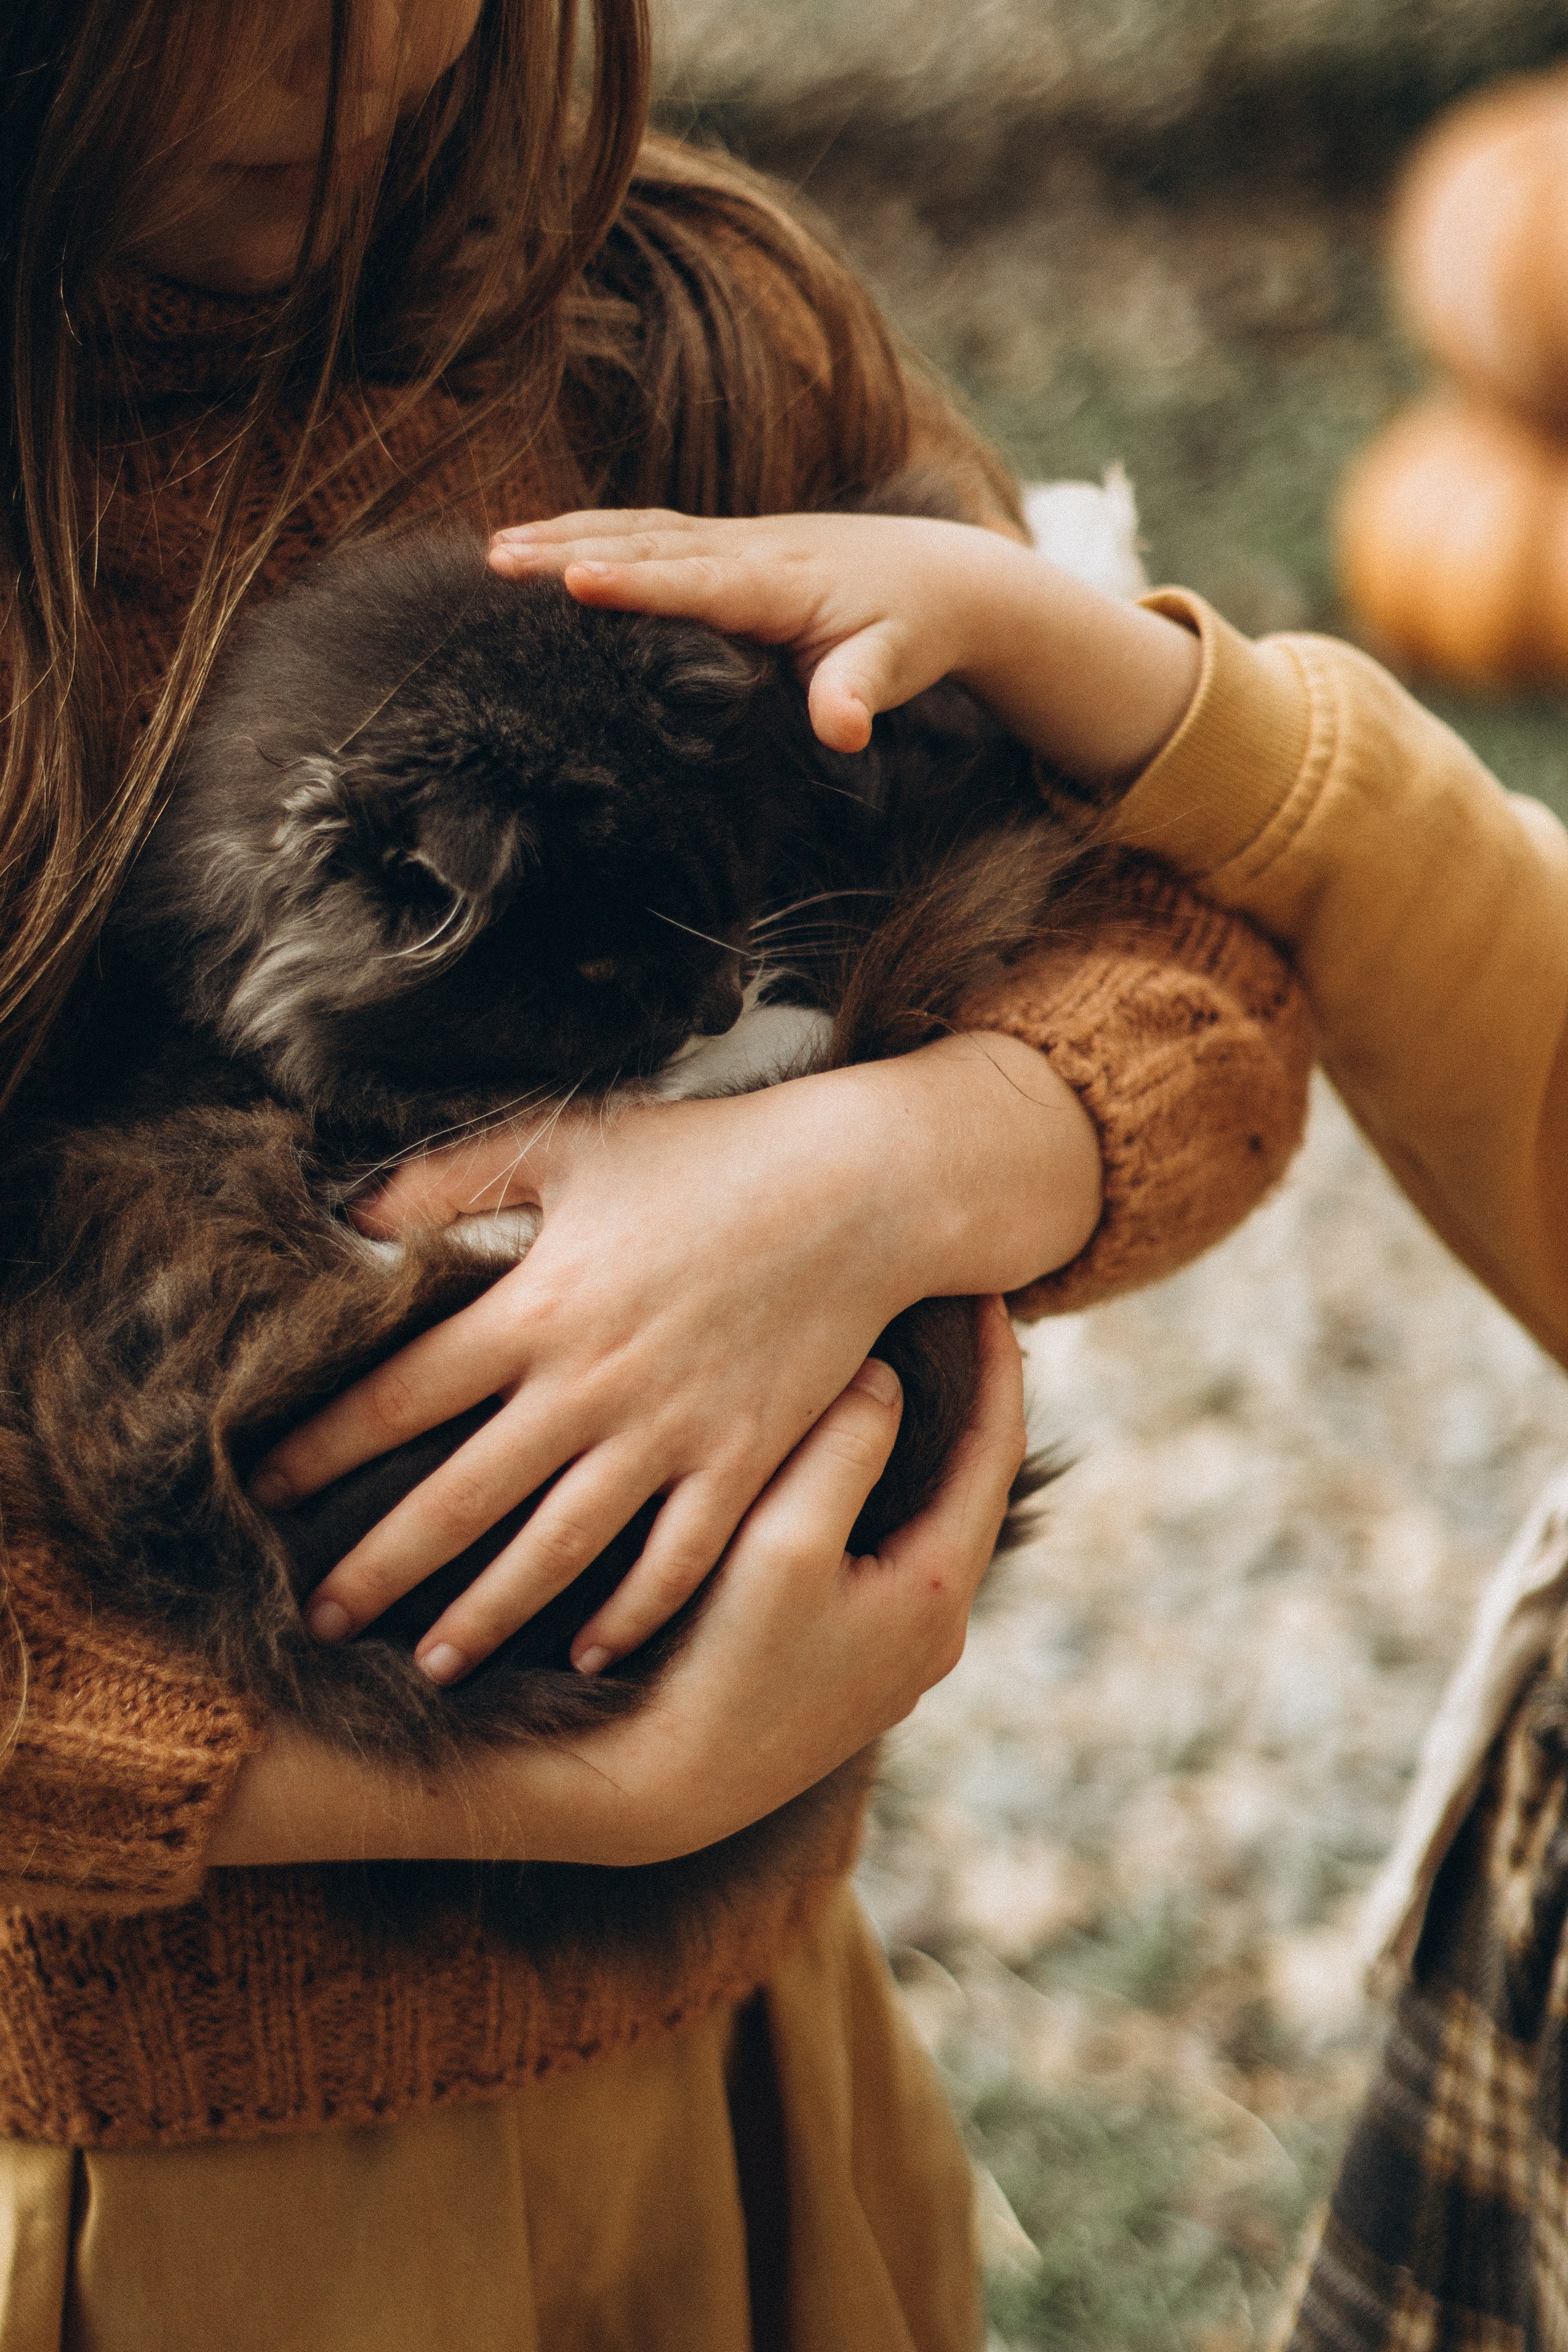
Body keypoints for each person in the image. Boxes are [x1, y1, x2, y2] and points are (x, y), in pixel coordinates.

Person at [0, 4, 1314, 2345]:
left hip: (754, 2048)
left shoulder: (672, 323)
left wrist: (929, 1157)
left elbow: (1205, 903)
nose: (379, 42)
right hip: (150, 2192)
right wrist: (529, 1798)